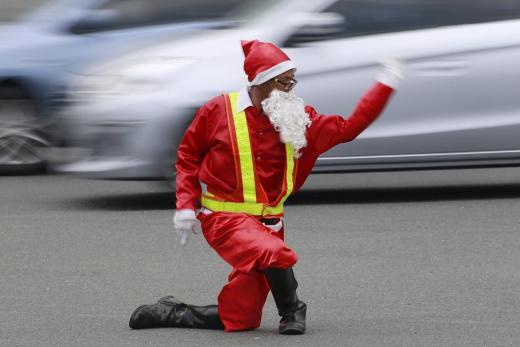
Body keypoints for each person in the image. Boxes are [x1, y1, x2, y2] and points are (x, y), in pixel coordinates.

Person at [129, 39, 403, 335]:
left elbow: (349, 128)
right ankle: (292, 310)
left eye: (291, 81)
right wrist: (185, 206)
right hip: (224, 219)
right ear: (260, 83)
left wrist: (385, 85)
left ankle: (171, 311)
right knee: (275, 253)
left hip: (271, 222)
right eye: (284, 82)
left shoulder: (297, 117)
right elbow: (187, 156)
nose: (291, 89)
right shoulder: (217, 110)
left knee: (241, 318)